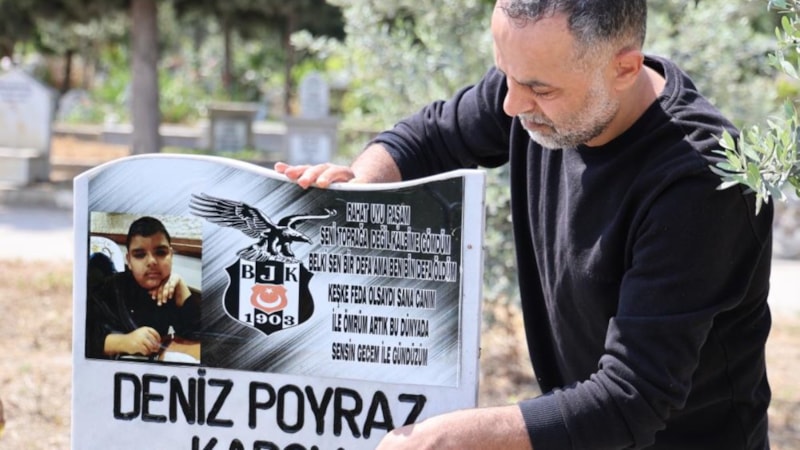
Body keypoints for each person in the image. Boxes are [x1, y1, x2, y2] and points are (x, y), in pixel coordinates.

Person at [275, 0, 774, 449]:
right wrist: (361, 184)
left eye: (538, 88)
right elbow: (429, 137)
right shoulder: (539, 83)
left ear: (624, 68)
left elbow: (631, 398)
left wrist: (446, 438)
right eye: (505, 76)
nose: (511, 105)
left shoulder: (701, 183)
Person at [86, 216, 201, 360]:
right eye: (140, 255)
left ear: (171, 255)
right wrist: (124, 342)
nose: (152, 261)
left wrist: (182, 290)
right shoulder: (109, 288)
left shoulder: (170, 289)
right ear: (129, 261)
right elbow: (84, 338)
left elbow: (198, 336)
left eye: (161, 253)